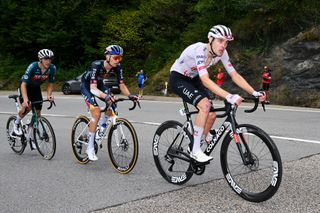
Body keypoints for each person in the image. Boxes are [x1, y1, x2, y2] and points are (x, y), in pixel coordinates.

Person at [169, 25, 266, 163]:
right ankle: (195, 151)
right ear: (210, 39)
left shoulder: (222, 54)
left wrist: (254, 92)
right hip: (178, 78)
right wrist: (229, 96)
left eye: (226, 42)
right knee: (205, 106)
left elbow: (234, 75)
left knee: (212, 114)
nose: (223, 45)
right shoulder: (199, 50)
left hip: (194, 78)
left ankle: (197, 139)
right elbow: (205, 80)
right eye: (220, 41)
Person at [80, 45, 139, 161]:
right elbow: (93, 89)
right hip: (87, 86)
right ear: (108, 57)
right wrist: (106, 96)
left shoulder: (117, 67)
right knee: (96, 113)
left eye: (120, 58)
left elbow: (121, 84)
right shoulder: (96, 65)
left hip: (100, 85)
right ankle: (90, 148)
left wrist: (130, 95)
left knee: (113, 103)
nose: (118, 61)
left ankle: (101, 128)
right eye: (116, 58)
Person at [13, 49, 56, 149]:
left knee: (37, 113)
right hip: (25, 87)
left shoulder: (52, 68)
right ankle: (16, 123)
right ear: (40, 59)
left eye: (50, 59)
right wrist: (25, 100)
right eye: (46, 59)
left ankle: (31, 134)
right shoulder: (33, 66)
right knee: (28, 107)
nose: (48, 61)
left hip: (36, 88)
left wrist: (49, 95)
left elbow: (50, 84)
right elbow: (23, 84)